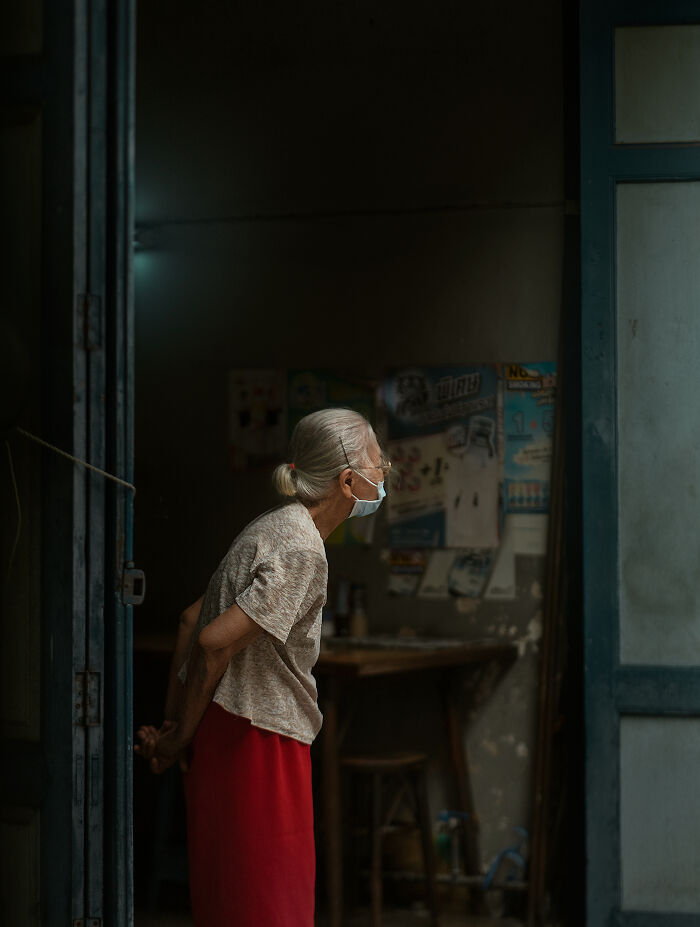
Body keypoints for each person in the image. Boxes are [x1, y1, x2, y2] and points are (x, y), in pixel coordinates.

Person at [135, 407, 390, 927]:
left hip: (221, 730)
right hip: (260, 742)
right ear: (348, 482)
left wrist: (176, 728)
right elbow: (212, 641)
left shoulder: (273, 526)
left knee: (228, 901)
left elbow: (190, 621)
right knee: (269, 907)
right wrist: (177, 738)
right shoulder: (303, 550)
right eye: (378, 463)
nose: (384, 473)